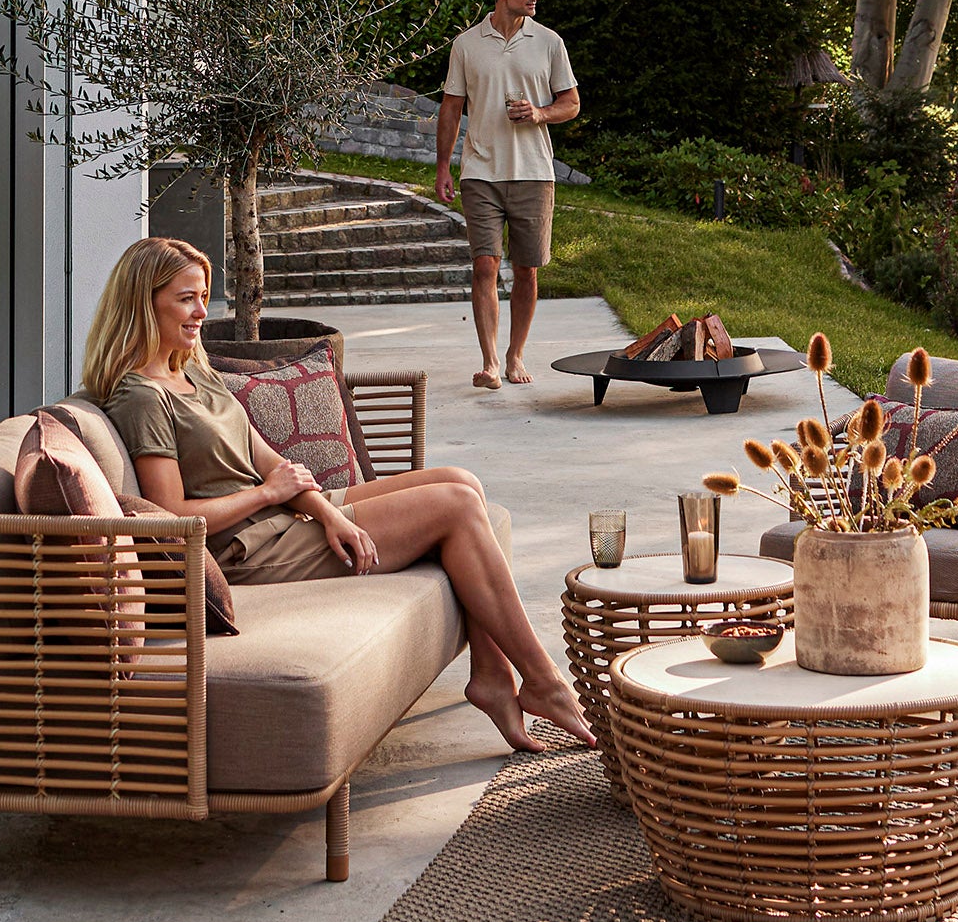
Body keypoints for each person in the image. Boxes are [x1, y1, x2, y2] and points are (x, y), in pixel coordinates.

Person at [85, 236, 595, 754]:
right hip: (244, 548)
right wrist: (268, 496)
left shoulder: (190, 369)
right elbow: (173, 515)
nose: (200, 312)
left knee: (464, 483)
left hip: (281, 518)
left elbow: (270, 462)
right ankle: (544, 679)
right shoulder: (141, 396)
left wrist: (327, 512)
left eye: (203, 296)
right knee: (457, 508)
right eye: (185, 299)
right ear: (143, 303)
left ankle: (491, 673)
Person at [435, 0, 580, 390]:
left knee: (527, 270)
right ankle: (490, 362)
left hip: (534, 172)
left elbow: (570, 104)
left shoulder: (550, 42)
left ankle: (516, 354)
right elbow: (451, 108)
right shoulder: (466, 44)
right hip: (480, 170)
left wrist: (539, 113)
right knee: (485, 264)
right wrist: (443, 166)